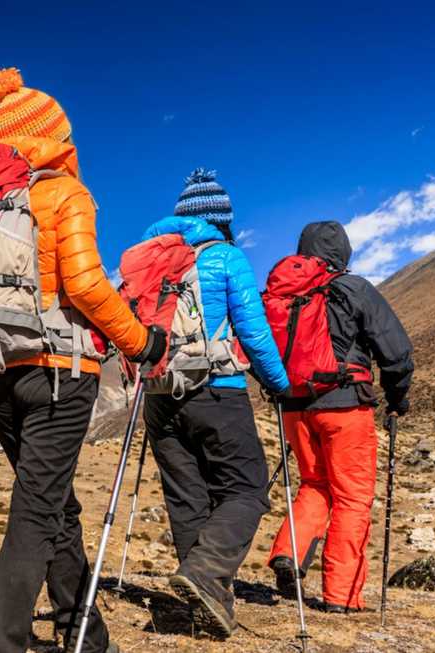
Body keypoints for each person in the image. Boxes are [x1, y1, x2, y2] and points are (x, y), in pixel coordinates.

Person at [0, 68, 165, 653]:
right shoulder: (63, 192)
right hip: (57, 372)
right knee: (37, 508)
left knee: (54, 499)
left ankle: (83, 629)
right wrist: (140, 342)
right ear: (55, 135)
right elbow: (83, 284)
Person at [138, 169, 290, 639]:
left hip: (160, 395)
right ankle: (206, 574)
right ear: (220, 219)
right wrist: (278, 384)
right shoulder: (225, 257)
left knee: (187, 498)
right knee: (246, 488)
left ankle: (211, 605)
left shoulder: (147, 260)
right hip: (215, 388)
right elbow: (254, 333)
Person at [267, 221, 414, 613]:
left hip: (295, 408)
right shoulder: (354, 288)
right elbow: (396, 352)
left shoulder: (285, 292)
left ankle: (290, 552)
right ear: (343, 254)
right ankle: (342, 596)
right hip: (346, 407)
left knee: (315, 484)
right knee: (352, 497)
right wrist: (397, 399)